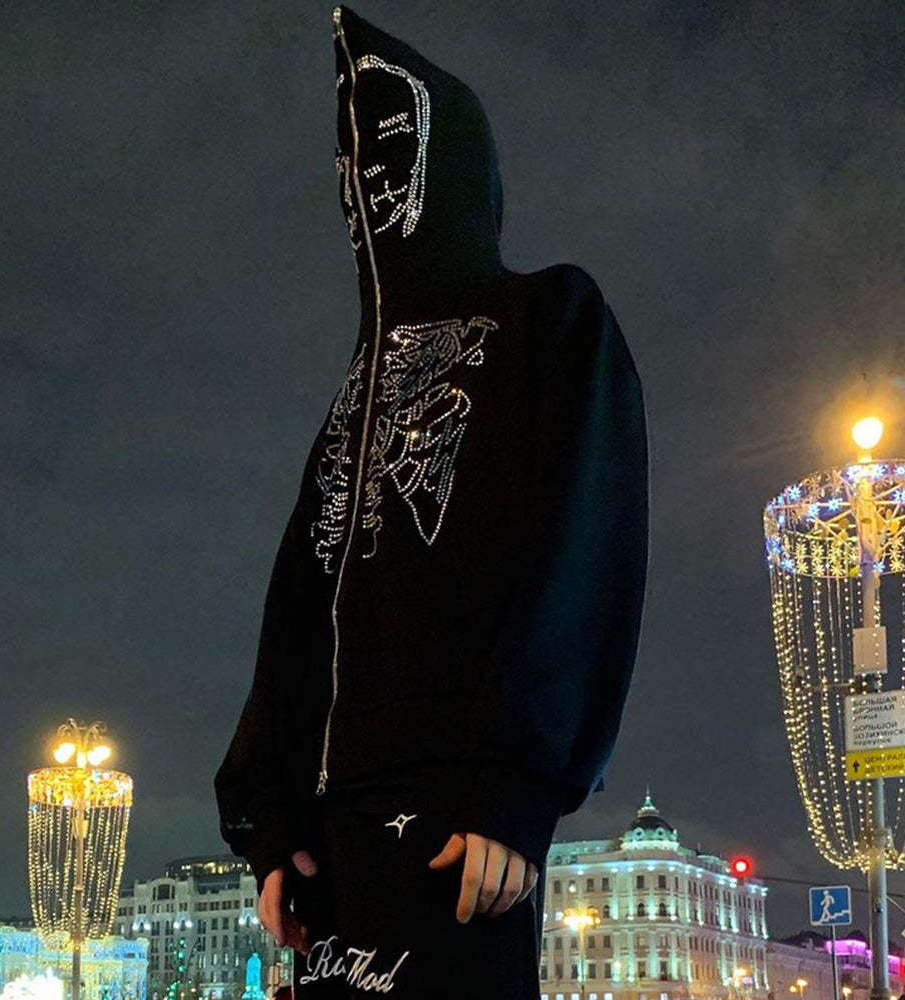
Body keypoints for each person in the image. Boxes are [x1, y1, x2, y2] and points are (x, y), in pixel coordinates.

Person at [214, 5, 649, 997]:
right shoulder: (350, 397)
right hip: (326, 855)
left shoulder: (549, 320)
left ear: (450, 156)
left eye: (390, 140)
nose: (364, 175)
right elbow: (295, 617)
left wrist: (513, 784)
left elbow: (581, 549)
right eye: (348, 158)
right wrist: (272, 828)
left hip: (458, 828)